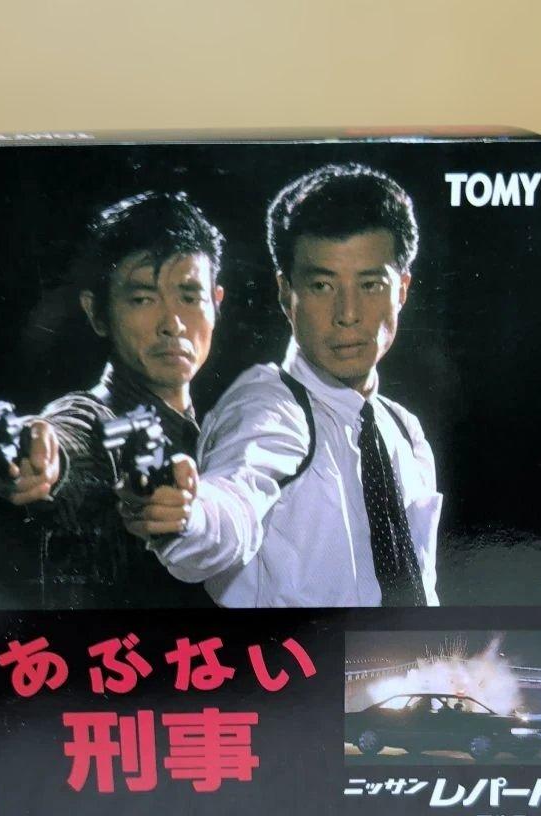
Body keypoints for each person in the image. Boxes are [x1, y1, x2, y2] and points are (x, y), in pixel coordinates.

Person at [128, 164, 442, 607]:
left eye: (371, 285)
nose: (348, 314)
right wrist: (189, 516)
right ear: (285, 293)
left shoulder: (404, 430)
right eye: (321, 285)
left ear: (402, 290)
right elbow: (233, 499)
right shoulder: (267, 406)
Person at [0, 191, 225, 607]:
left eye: (189, 297)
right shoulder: (95, 419)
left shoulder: (219, 432)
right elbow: (68, 435)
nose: (172, 324)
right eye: (143, 299)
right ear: (97, 312)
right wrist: (37, 453)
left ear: (216, 304)